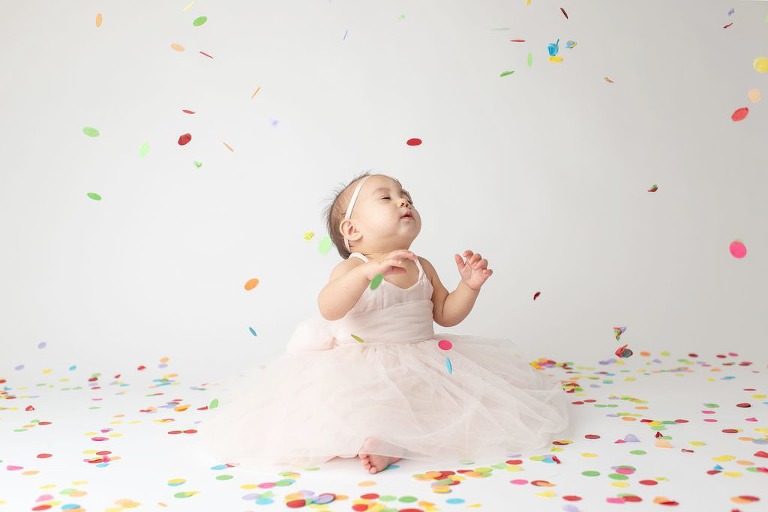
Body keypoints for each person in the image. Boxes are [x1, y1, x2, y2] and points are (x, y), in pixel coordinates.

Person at [201, 172, 568, 474]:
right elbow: (329, 308)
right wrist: (365, 274)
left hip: (423, 359)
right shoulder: (353, 267)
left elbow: (445, 314)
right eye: (386, 198)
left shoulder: (422, 266)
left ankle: (394, 443)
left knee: (437, 404)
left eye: (405, 196)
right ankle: (364, 437)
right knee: (358, 402)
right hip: (362, 363)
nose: (403, 201)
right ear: (352, 230)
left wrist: (468, 288)